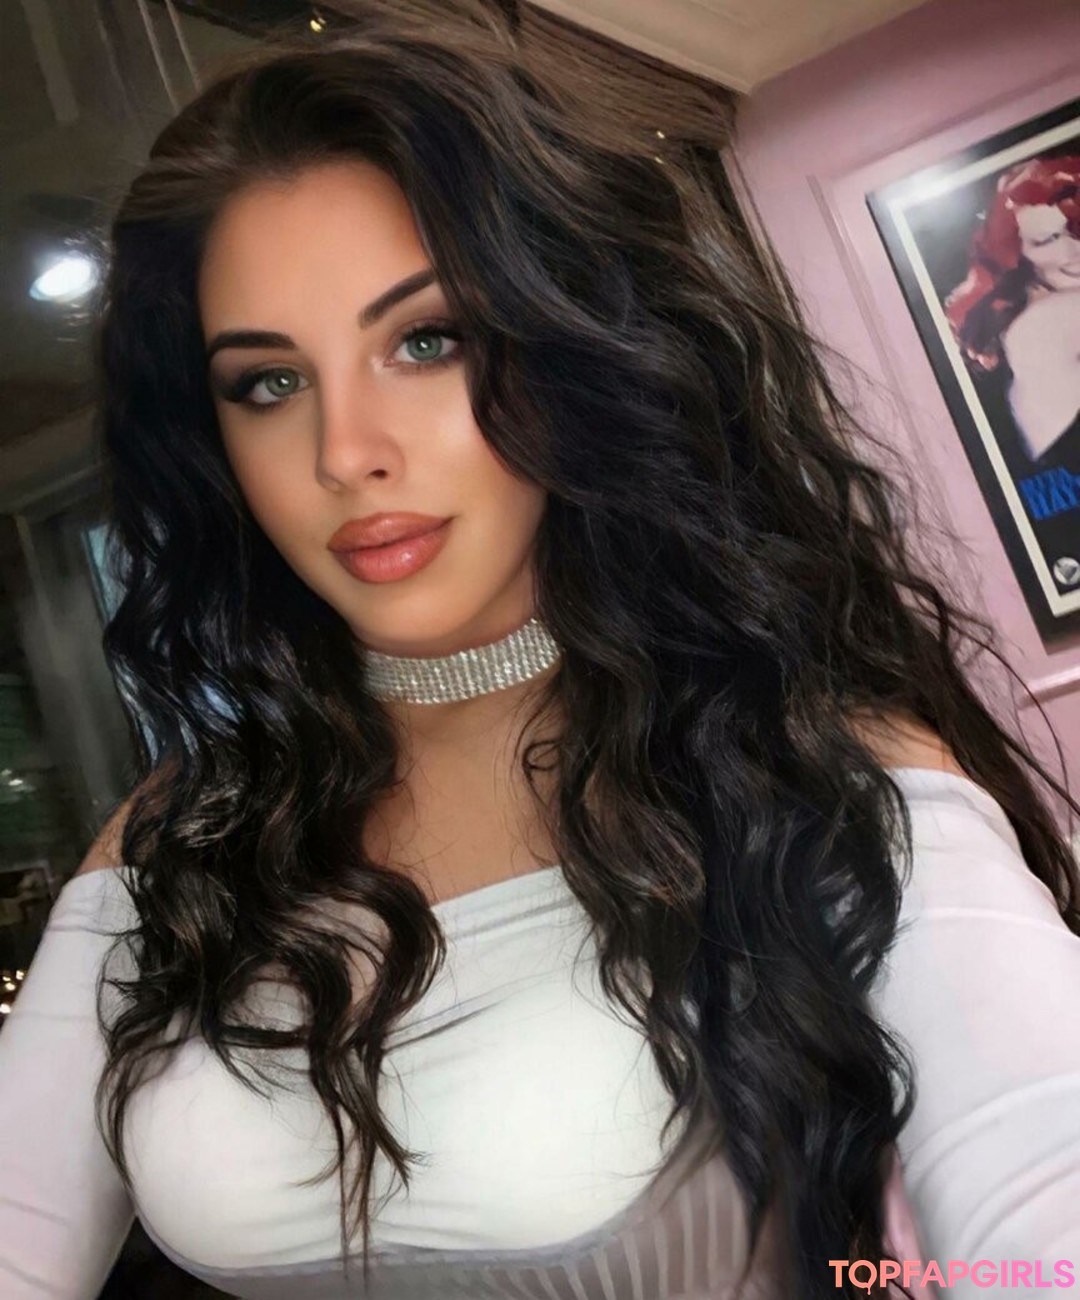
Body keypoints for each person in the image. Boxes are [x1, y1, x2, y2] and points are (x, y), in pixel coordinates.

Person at [2, 3, 1080, 1297]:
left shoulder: (805, 773)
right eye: (270, 383)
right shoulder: (180, 842)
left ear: (569, 348)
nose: (347, 452)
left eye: (427, 340)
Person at [945, 154, 1080, 462]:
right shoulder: (1041, 324)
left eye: (1078, 228)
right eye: (1046, 240)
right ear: (1018, 257)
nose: (1073, 251)